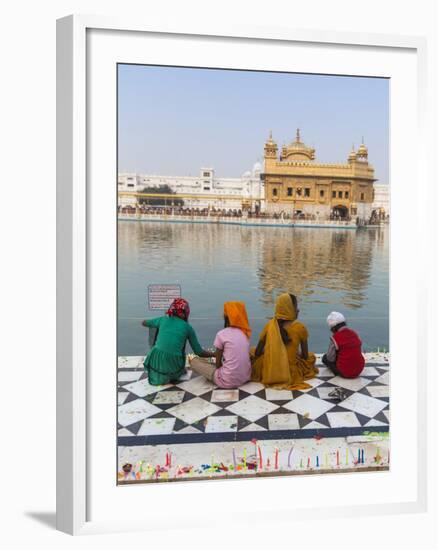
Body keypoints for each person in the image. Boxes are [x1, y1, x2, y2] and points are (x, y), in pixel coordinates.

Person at [251, 293, 318, 390]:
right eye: (296, 307)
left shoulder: (270, 325)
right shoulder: (300, 327)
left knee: (252, 351)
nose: (298, 310)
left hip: (270, 370)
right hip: (290, 373)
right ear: (291, 310)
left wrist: (270, 350)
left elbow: (257, 353)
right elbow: (305, 356)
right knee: (311, 357)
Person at [142, 298, 213, 385]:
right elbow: (199, 352)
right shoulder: (187, 328)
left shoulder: (162, 319)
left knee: (156, 330)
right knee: (180, 348)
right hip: (174, 364)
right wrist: (214, 354)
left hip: (155, 360)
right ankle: (174, 373)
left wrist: (157, 326)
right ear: (185, 313)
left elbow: (144, 323)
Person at [189, 301, 251, 388]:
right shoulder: (244, 334)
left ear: (226, 317)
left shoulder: (221, 334)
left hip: (226, 381)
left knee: (194, 361)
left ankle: (220, 376)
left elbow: (218, 365)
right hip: (245, 378)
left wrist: (220, 369)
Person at [322, 311, 365, 378]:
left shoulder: (335, 338)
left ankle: (338, 372)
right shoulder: (354, 333)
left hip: (345, 372)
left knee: (325, 358)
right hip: (359, 370)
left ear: (333, 328)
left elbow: (330, 358)